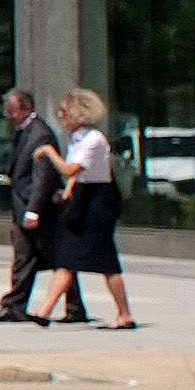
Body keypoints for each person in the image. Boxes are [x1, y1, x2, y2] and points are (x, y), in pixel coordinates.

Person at [32, 88, 134, 329]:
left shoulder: (94, 139)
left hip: (99, 200)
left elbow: (70, 169)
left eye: (65, 110)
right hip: (83, 197)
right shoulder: (77, 138)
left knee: (106, 261)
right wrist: (67, 192)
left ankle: (125, 314)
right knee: (67, 257)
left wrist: (48, 152)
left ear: (79, 113)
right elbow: (77, 176)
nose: (61, 114)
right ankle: (45, 311)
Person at [0, 89, 68, 324]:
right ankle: (14, 305)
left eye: (12, 111)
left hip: (38, 209)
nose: (9, 116)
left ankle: (74, 306)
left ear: (27, 108)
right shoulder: (24, 132)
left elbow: (43, 177)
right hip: (23, 206)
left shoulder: (40, 134)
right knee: (25, 256)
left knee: (58, 259)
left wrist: (34, 209)